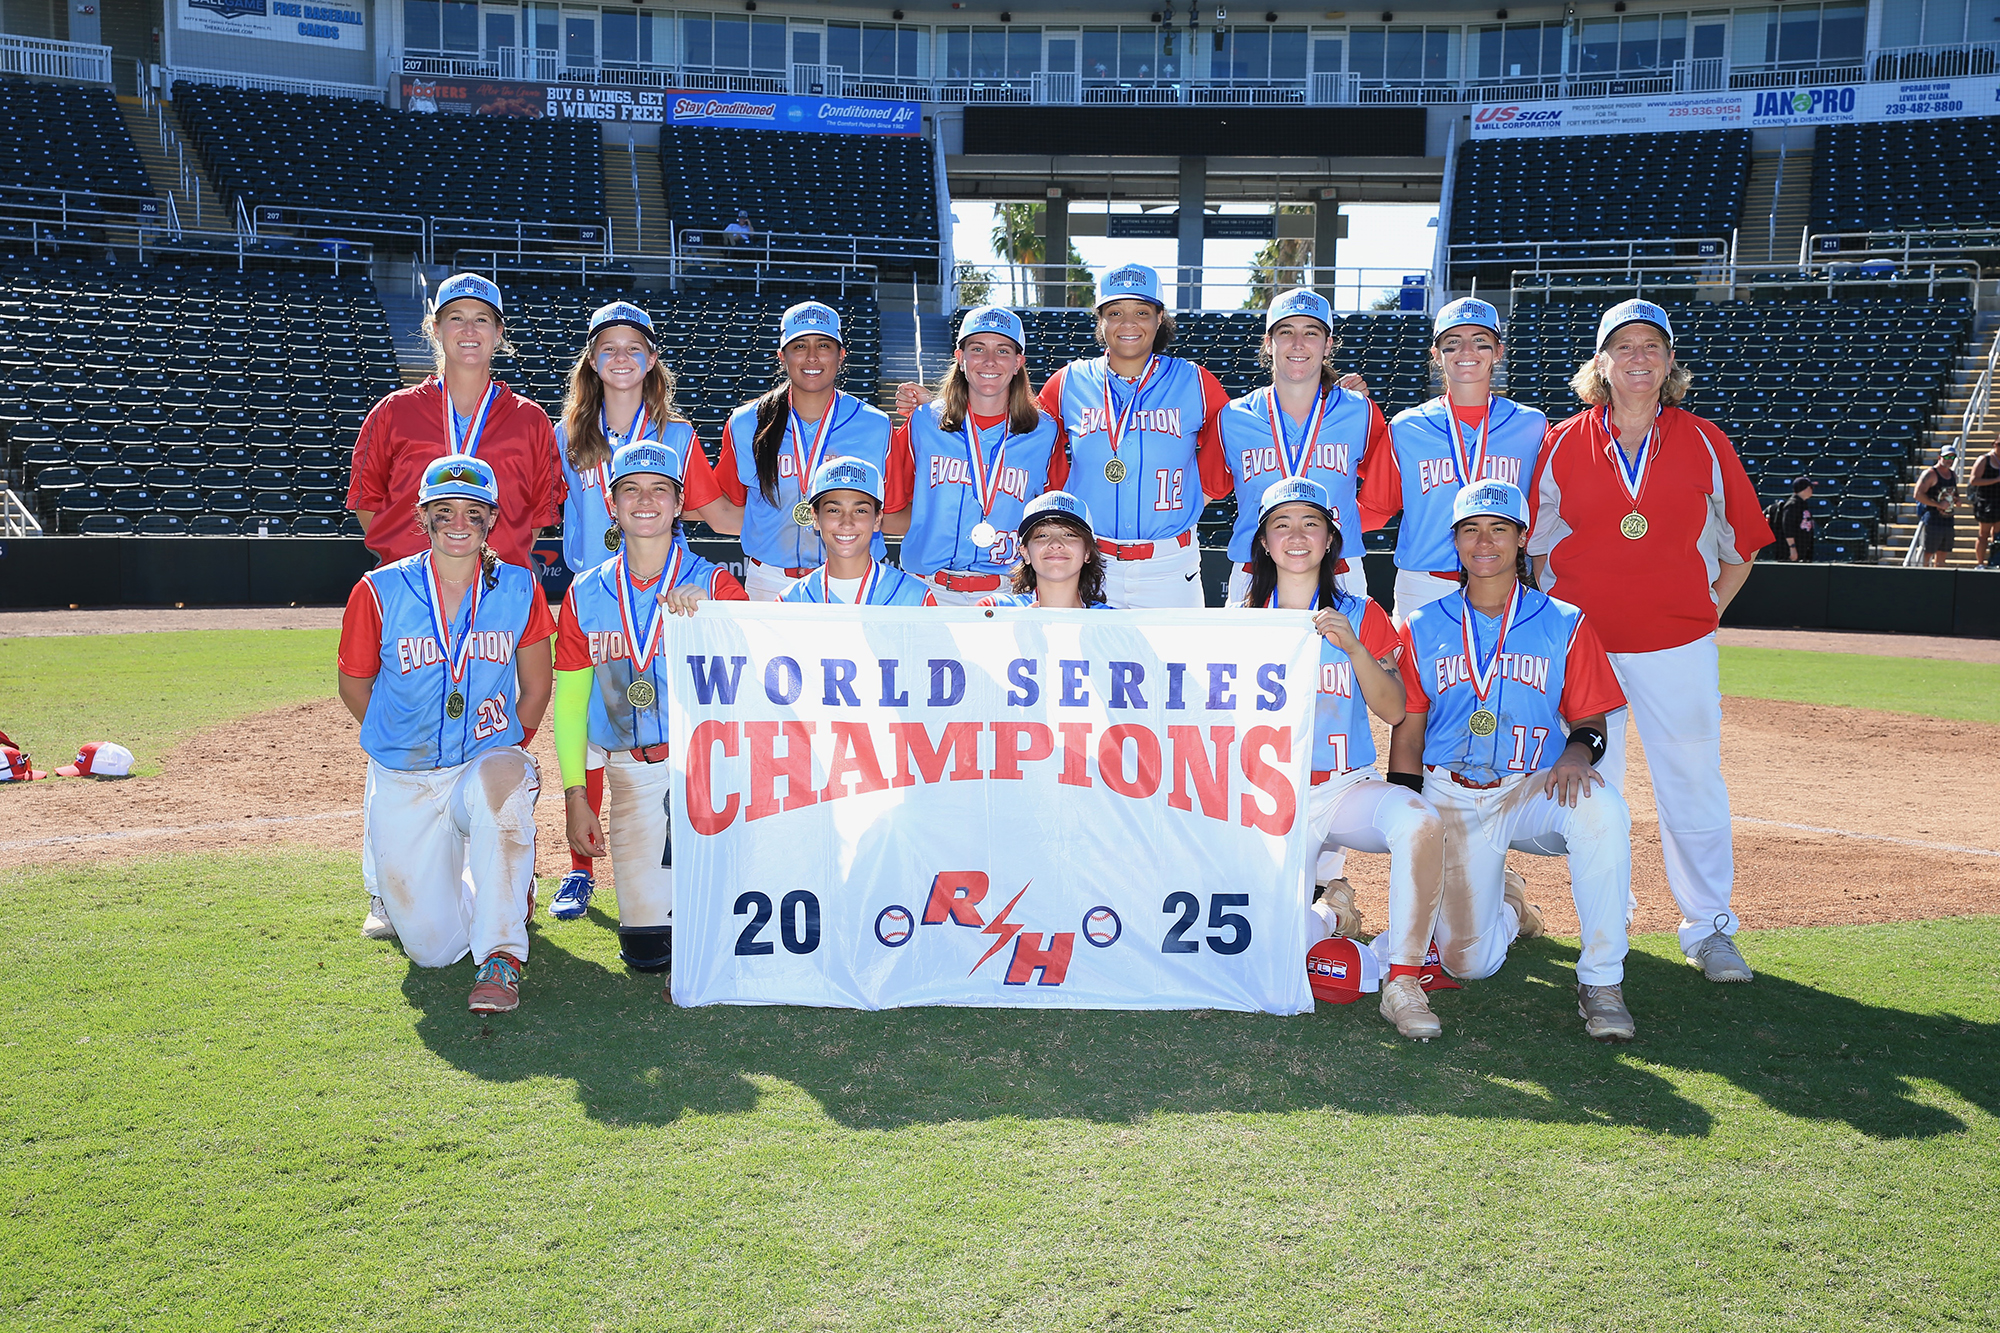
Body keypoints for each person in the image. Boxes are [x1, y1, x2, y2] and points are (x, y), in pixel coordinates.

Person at [1530, 298, 1771, 984]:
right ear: (1600, 363)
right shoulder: (1564, 440)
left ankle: (1710, 929)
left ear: (1669, 364)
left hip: (1677, 647)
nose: (1638, 358)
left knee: (1692, 782)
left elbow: (1743, 544)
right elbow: (1539, 548)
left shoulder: (1704, 439)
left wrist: (1704, 610)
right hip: (1587, 651)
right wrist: (1567, 621)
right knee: (1595, 790)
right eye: (1623, 346)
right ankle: (1607, 921)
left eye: (1652, 347)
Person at [1397, 480, 1635, 1042]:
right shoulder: (1423, 625)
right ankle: (1507, 902)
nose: (1485, 541)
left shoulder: (1565, 621)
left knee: (1603, 810)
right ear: (1454, 543)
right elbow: (1408, 732)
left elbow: (1592, 723)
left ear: (1522, 539)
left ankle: (1601, 980)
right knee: (1466, 964)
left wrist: (1578, 754)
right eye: (1471, 530)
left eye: (1499, 528)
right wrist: (1406, 803)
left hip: (1532, 786)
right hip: (1452, 794)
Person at [336, 454, 555, 1015]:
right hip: (407, 775)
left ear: (491, 521)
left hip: (482, 761)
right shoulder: (381, 590)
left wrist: (511, 747)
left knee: (502, 792)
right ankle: (495, 881)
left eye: (473, 513)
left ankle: (503, 954)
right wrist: (404, 742)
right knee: (432, 950)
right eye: (445, 510)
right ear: (424, 516)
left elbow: (535, 685)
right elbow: (355, 686)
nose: (459, 523)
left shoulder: (519, 588)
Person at [1232, 477, 1443, 1029]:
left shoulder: (1361, 611)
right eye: (1282, 523)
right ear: (1263, 541)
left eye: (1311, 524)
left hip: (1344, 785)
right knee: (1276, 942)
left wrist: (1353, 647)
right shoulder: (1238, 617)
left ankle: (1402, 978)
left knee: (1419, 822)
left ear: (1330, 540)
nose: (1296, 535)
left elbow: (1396, 710)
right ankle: (1328, 912)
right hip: (1272, 795)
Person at [550, 299, 736, 922]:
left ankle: (686, 851)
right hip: (596, 591)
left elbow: (712, 512)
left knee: (665, 724)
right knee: (596, 733)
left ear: (653, 359)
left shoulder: (678, 435)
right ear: (592, 360)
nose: (622, 358)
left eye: (635, 347)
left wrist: (801, 522)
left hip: (666, 593)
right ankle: (580, 871)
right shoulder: (568, 433)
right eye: (609, 348)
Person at [554, 440, 747, 980]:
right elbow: (570, 706)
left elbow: (757, 690)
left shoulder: (716, 585)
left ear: (680, 503)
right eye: (631, 490)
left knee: (715, 934)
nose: (646, 501)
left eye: (660, 489)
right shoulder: (586, 592)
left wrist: (715, 623)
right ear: (612, 504)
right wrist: (575, 795)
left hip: (708, 770)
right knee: (647, 955)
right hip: (631, 775)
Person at [1034, 265, 1233, 608]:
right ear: (1101, 322)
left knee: (1177, 661)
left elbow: (1234, 440)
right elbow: (1027, 441)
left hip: (1171, 566)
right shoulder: (1069, 382)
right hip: (1089, 563)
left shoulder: (1194, 381)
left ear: (1159, 318)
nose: (1128, 323)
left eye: (1141, 312)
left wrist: (1198, 494)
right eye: (1115, 313)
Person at [347, 273, 560, 570]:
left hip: (497, 588)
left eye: (482, 319)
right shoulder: (393, 411)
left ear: (499, 331)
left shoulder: (531, 420)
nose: (469, 329)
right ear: (436, 328)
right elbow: (366, 502)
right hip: (411, 589)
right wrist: (407, 559)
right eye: (456, 318)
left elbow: (537, 516)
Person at [1359, 296, 1550, 624]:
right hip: (1423, 584)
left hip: (1503, 580)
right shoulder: (1407, 427)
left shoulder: (1532, 426)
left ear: (1499, 352)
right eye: (1452, 342)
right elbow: (1375, 509)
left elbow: (1545, 512)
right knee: (1413, 677)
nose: (1466, 351)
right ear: (1435, 355)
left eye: (1480, 341)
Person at [1215, 288, 1391, 608]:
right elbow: (1205, 489)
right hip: (1255, 571)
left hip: (1339, 570)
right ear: (1269, 343)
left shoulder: (1361, 413)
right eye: (1286, 332)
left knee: (1342, 659)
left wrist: (1333, 526)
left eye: (1311, 332)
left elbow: (1384, 499)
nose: (1298, 343)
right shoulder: (1232, 417)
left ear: (1328, 344)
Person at [709, 301, 894, 600]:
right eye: (799, 346)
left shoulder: (875, 425)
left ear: (841, 355)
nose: (812, 357)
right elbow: (730, 506)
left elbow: (891, 510)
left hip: (850, 580)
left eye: (823, 345)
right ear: (782, 356)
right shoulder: (745, 423)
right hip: (769, 581)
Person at [885, 306, 1062, 604]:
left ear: (1019, 362)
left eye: (1003, 350)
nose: (990, 361)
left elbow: (1057, 522)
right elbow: (888, 515)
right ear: (960, 357)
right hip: (927, 591)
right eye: (977, 348)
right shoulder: (923, 423)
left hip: (1009, 594)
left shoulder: (1045, 434)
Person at [780, 458, 937, 606]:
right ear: (815, 517)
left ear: (877, 519)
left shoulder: (914, 598)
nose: (846, 523)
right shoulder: (791, 601)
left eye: (860, 511)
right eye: (834, 510)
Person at [976, 491, 1113, 609]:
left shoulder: (1114, 623)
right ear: (1025, 552)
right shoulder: (995, 608)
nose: (1055, 544)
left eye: (1069, 534)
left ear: (1087, 552)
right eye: (1042, 536)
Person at [1914, 449, 1959, 569]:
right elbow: (1918, 494)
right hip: (1933, 519)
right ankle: (1925, 576)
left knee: (1943, 552)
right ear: (1939, 457)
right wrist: (1938, 505)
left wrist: (1957, 500)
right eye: (1947, 457)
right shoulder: (1930, 474)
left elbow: (1954, 492)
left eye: (1952, 458)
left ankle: (1939, 579)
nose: (1950, 460)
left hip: (1948, 519)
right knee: (1928, 552)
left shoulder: (1953, 475)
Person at [1766, 477, 1815, 562]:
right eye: (1810, 487)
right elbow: (1787, 527)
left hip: (1802, 549)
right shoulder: (1792, 505)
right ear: (1804, 489)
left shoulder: (1803, 503)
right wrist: (1792, 548)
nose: (1812, 490)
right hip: (1791, 551)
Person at [1970, 442, 2000, 567]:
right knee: (1984, 534)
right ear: (1994, 444)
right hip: (1986, 502)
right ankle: (1980, 563)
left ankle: (1994, 560)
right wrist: (1995, 480)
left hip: (1999, 502)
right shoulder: (1984, 459)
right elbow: (1974, 480)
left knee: (1997, 535)